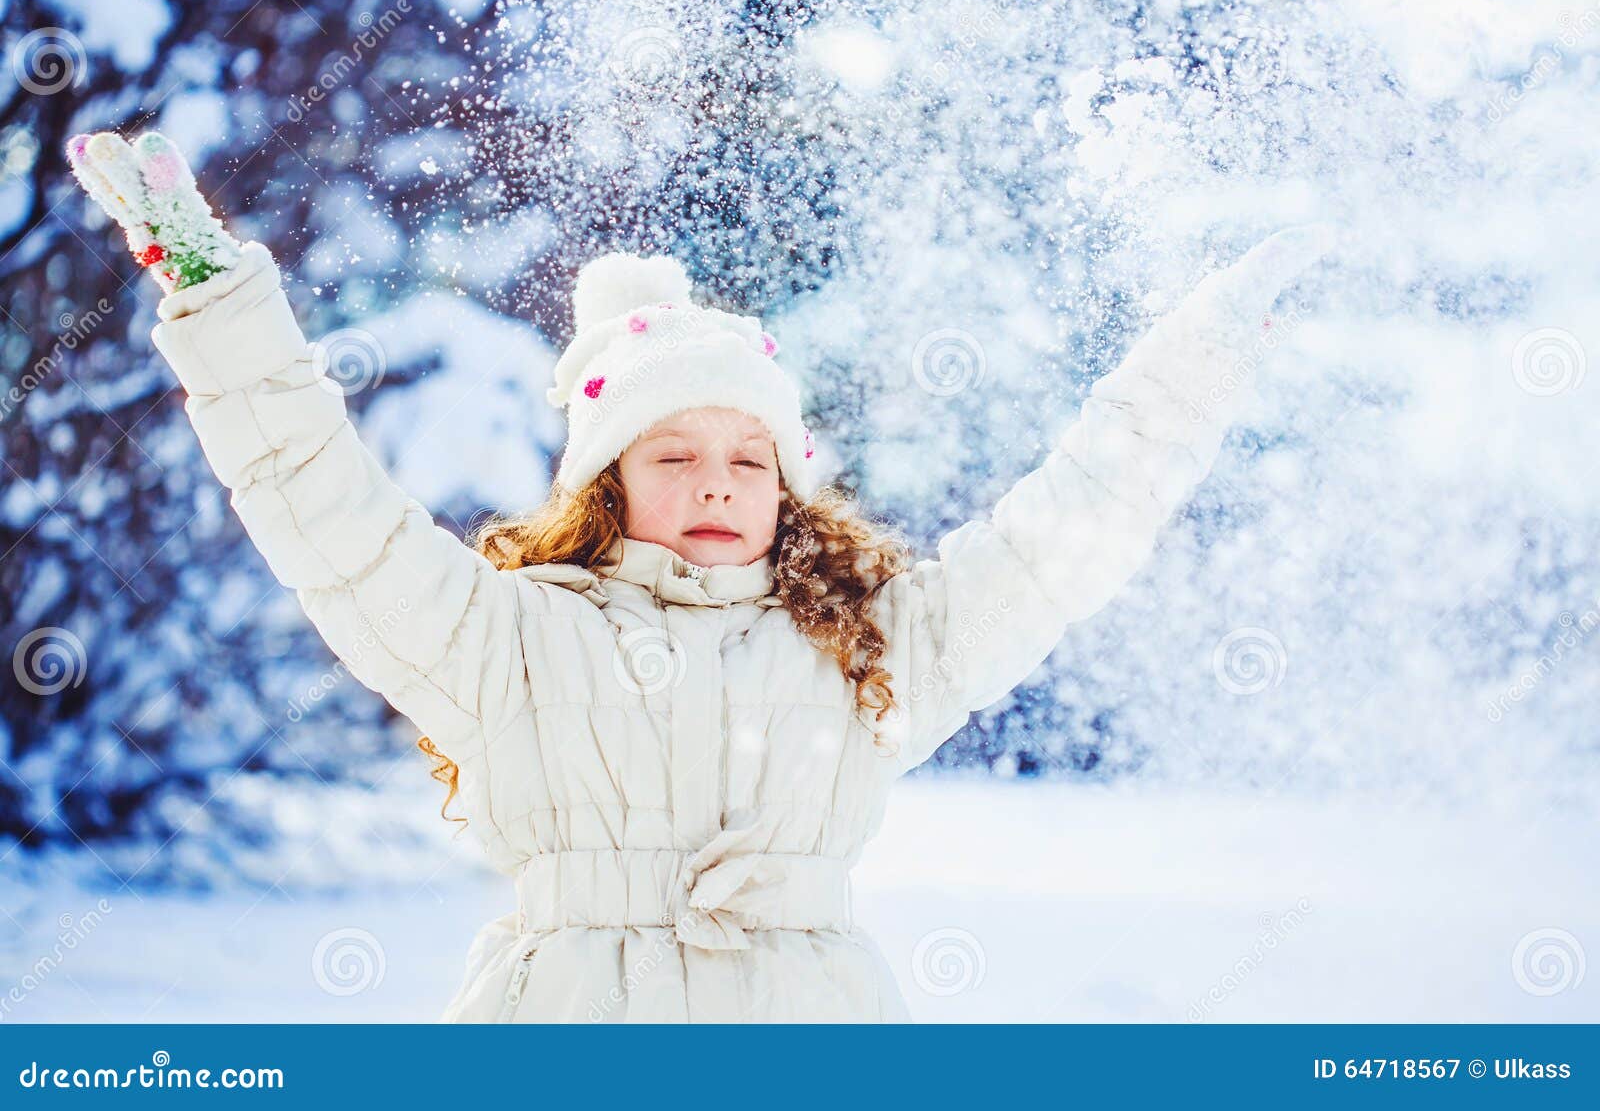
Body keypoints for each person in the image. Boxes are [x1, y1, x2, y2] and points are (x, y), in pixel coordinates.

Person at [66, 129, 1337, 1022]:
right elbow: (319, 505)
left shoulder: (868, 650)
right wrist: (212, 286)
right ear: (606, 478)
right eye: (674, 451)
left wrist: (1201, 360)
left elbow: (1071, 528)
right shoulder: (502, 640)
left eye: (750, 454)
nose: (719, 480)